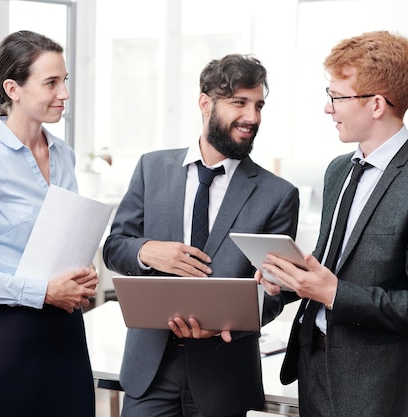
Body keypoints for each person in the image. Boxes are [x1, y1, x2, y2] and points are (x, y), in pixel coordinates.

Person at [257, 30, 408, 417]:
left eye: (336, 97)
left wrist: (335, 293)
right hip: (314, 369)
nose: (328, 108)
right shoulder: (339, 171)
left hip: (379, 388)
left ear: (375, 105)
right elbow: (331, 263)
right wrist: (289, 282)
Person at [103, 54, 299, 417]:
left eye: (258, 105)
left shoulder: (278, 194)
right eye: (239, 103)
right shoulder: (152, 167)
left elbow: (278, 292)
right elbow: (114, 247)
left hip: (224, 377)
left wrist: (228, 325)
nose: (252, 117)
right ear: (205, 103)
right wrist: (148, 251)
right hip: (150, 370)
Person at [0, 30, 98, 417]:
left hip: (70, 339)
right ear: (13, 88)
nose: (65, 93)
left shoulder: (64, 155)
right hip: (12, 348)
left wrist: (80, 272)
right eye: (51, 83)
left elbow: (61, 239)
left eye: (65, 81)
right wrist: (43, 291)